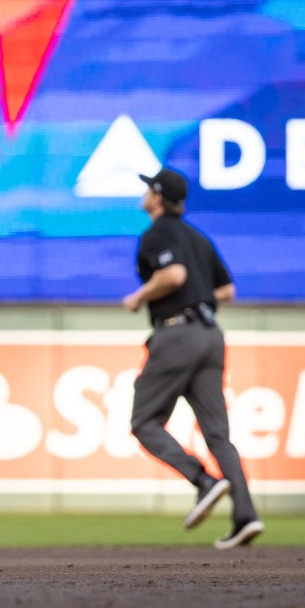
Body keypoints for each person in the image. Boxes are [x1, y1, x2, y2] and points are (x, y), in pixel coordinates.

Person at [122, 168, 264, 550]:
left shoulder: (158, 232)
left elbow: (174, 274)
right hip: (210, 335)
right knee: (218, 435)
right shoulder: (198, 237)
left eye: (148, 189)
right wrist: (198, 303)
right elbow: (227, 290)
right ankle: (246, 516)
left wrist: (139, 297)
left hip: (176, 335)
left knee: (144, 422)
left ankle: (202, 480)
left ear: (157, 196)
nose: (144, 194)